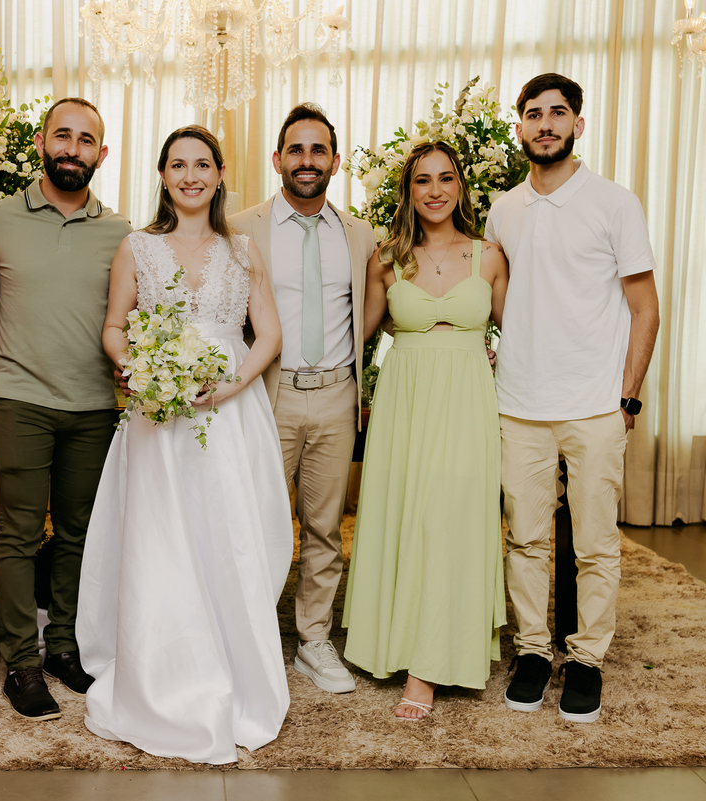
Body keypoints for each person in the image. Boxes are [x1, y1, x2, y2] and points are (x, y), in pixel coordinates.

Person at [76, 125, 293, 765]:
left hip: (231, 412)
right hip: (159, 413)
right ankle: (163, 672)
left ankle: (236, 665)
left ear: (221, 174)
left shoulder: (244, 249)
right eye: (178, 165)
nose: (191, 176)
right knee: (163, 536)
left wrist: (233, 385)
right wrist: (140, 365)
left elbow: (269, 334)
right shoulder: (137, 247)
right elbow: (113, 327)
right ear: (163, 175)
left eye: (203, 165)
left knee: (229, 531)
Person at [485, 73, 659, 723]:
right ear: (520, 127)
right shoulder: (503, 209)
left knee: (595, 543)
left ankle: (586, 659)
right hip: (519, 403)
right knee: (525, 539)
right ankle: (533, 652)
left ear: (578, 124)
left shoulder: (615, 203)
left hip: (594, 404)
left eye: (558, 113)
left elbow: (645, 308)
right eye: (534, 114)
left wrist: (628, 398)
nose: (546, 123)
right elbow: (502, 300)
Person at [0, 98, 133, 721]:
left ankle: (63, 646)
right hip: (18, 397)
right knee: (17, 531)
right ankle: (21, 661)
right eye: (62, 135)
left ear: (102, 153)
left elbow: (130, 314)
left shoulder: (121, 232)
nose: (72, 148)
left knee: (78, 532)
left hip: (93, 402)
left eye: (85, 139)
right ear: (42, 142)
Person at [341, 141, 509, 719]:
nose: (434, 190)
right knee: (406, 517)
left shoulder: (489, 256)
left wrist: (492, 357)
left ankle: (431, 664)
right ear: (408, 191)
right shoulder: (387, 258)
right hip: (404, 403)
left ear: (460, 187)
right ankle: (402, 643)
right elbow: (357, 335)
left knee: (449, 519)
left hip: (467, 401)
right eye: (422, 180)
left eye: (445, 178)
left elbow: (521, 333)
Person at [229, 104, 376, 695]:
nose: (307, 160)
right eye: (296, 149)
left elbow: (380, 307)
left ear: (335, 162)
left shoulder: (360, 234)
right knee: (256, 520)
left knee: (324, 527)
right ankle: (251, 637)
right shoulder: (240, 229)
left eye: (319, 150)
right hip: (268, 394)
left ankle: (314, 640)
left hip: (337, 395)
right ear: (277, 159)